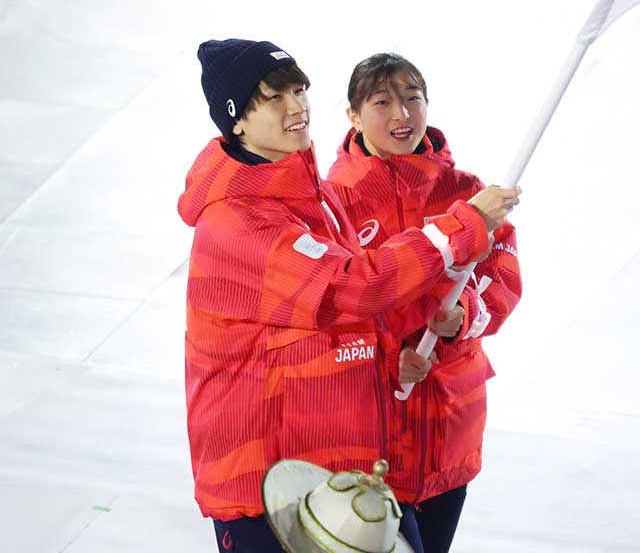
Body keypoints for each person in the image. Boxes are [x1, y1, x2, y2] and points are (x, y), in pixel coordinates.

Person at [178, 39, 521, 553]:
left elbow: (344, 321)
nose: (297, 108)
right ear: (237, 121)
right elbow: (350, 287)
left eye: (299, 91)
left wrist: (397, 355)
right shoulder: (239, 221)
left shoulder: (314, 198)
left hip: (343, 466)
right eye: (275, 98)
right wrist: (465, 225)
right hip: (271, 486)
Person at [326, 53, 523, 553]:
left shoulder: (470, 193)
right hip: (374, 430)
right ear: (352, 115)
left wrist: (463, 319)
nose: (402, 115)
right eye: (383, 102)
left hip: (448, 425)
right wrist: (390, 358)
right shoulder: (335, 203)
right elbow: (334, 307)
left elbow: (502, 280)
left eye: (413, 100)